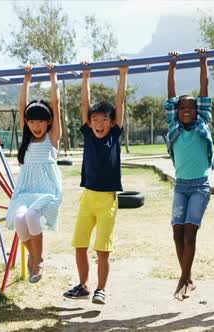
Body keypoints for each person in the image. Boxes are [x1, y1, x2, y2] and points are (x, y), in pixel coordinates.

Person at [63, 59, 128, 305]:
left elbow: (119, 102)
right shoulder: (88, 134)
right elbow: (84, 104)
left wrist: (123, 74)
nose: (99, 124)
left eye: (104, 120)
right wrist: (85, 75)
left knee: (103, 250)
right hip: (87, 198)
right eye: (95, 120)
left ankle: (101, 289)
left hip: (107, 200)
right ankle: (83, 286)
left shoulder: (115, 135)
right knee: (79, 245)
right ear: (89, 122)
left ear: (111, 122)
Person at [164, 49, 214, 301]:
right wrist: (172, 65)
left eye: (190, 107)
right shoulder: (174, 127)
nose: (186, 110)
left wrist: (203, 61)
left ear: (197, 110)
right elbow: (171, 95)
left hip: (200, 187)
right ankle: (188, 276)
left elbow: (204, 91)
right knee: (176, 232)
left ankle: (183, 280)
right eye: (182, 107)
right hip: (180, 186)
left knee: (189, 233)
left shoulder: (202, 122)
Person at [6, 64, 63, 284]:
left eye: (40, 121)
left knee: (31, 216)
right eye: (32, 122)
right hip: (26, 190)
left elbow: (56, 105)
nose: (36, 126)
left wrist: (53, 76)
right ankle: (32, 253)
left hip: (47, 190)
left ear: (48, 122)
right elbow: (21, 106)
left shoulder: (52, 139)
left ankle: (38, 260)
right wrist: (26, 78)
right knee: (20, 219)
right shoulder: (27, 140)